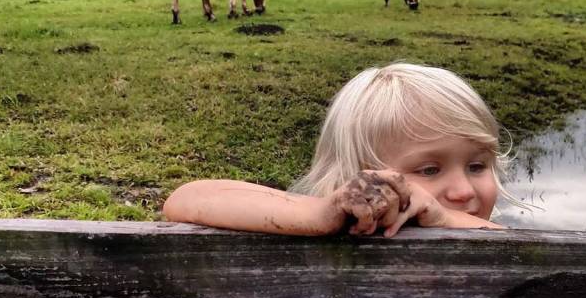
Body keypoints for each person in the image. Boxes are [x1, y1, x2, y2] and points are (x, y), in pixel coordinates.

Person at [164, 62, 508, 237]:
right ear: (360, 180)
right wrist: (321, 215)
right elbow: (188, 197)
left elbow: (508, 246)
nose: (463, 190)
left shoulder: (507, 247)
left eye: (477, 166)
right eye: (430, 170)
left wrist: (445, 219)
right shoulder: (342, 222)